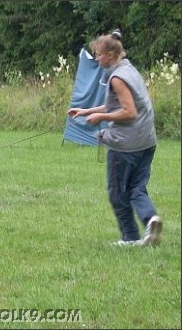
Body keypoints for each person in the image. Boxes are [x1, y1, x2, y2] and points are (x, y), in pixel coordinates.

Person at [68, 29, 163, 247]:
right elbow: (120, 104)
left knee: (117, 192)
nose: (97, 58)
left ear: (110, 55)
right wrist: (86, 111)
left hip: (126, 144)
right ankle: (151, 220)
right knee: (136, 188)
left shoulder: (117, 78)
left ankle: (130, 238)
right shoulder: (128, 69)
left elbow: (129, 112)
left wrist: (100, 116)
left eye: (98, 54)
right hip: (146, 141)